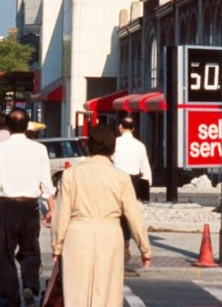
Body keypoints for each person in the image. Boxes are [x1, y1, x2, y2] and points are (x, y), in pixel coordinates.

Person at [52, 124, 152, 307]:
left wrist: (57, 246)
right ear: (112, 148)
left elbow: (62, 213)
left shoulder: (71, 175)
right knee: (107, 292)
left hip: (78, 233)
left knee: (76, 292)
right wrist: (144, 248)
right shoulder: (121, 178)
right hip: (110, 234)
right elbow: (133, 214)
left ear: (89, 146)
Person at [0, 108, 55, 307]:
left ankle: (11, 298)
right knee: (30, 249)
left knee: (3, 252)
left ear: (8, 126)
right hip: (30, 207)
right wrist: (51, 211)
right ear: (26, 125)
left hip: (6, 207)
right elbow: (46, 184)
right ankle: (30, 285)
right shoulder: (39, 149)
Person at [111, 115, 152, 259]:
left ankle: (117, 243)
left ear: (120, 127)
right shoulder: (140, 145)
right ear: (133, 128)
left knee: (116, 212)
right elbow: (145, 168)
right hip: (133, 181)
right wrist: (146, 185)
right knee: (130, 214)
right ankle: (126, 244)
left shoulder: (115, 143)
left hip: (116, 179)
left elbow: (110, 161)